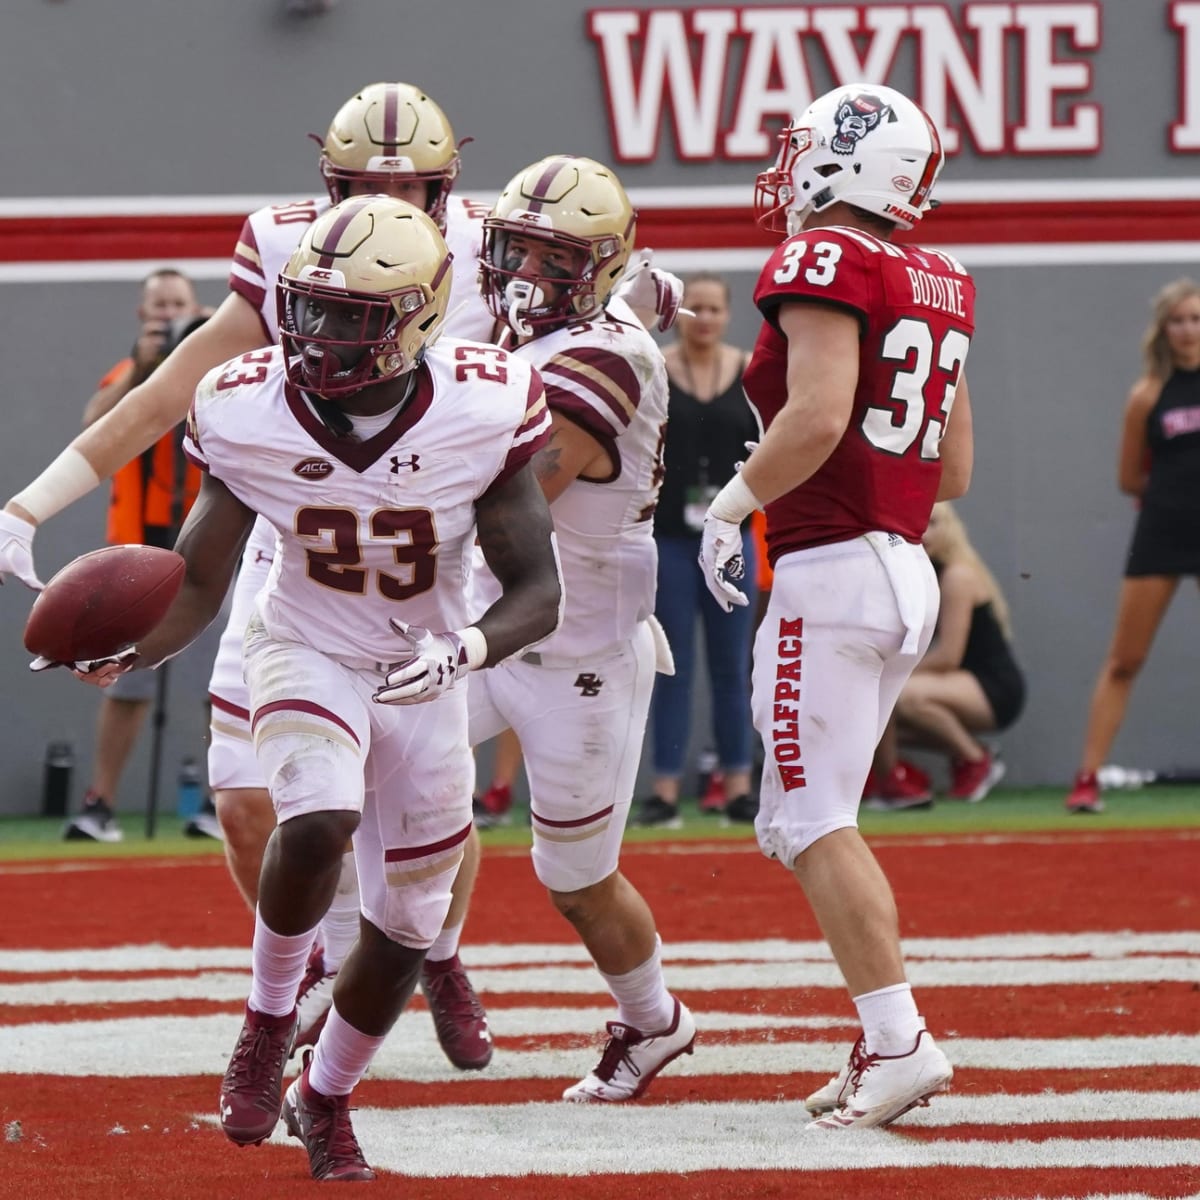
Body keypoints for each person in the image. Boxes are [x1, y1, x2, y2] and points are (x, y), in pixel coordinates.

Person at [0, 82, 502, 1071]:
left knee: (421, 788)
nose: (388, 206)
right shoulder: (285, 246)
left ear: (452, 186)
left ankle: (437, 954)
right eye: (360, 186)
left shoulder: (497, 244)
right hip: (296, 534)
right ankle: (309, 972)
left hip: (428, 549)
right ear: (326, 181)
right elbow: (166, 392)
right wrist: (28, 505)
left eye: (409, 189)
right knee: (243, 801)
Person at [59, 196, 563, 1181]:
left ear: (420, 315)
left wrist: (464, 650)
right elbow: (201, 577)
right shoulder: (246, 404)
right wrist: (135, 649)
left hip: (426, 668)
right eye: (311, 309)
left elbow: (540, 590)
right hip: (305, 644)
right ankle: (265, 1016)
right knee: (319, 817)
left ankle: (324, 1096)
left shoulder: (487, 400)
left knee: (410, 925)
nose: (321, 335)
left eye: (352, 315)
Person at [698, 83, 974, 1129]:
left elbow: (815, 414)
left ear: (848, 160)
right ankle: (881, 1038)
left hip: (831, 572)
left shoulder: (823, 258)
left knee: (812, 822)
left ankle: (901, 1041)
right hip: (900, 564)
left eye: (805, 147)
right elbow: (951, 470)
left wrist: (732, 504)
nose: (788, 164)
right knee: (812, 820)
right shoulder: (938, 276)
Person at [461, 153, 696, 1102]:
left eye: (553, 260)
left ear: (595, 271)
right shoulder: (602, 306)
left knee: (573, 881)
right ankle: (370, 963)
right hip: (492, 617)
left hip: (577, 647)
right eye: (516, 249)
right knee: (361, 765)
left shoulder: (606, 356)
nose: (526, 276)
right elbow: (654, 285)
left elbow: (510, 502)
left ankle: (655, 1021)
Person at [65, 270, 208, 842]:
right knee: (122, 683)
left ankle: (226, 801)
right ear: (141, 315)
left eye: (178, 306)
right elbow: (92, 426)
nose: (167, 314)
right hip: (132, 551)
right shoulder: (126, 374)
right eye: (159, 306)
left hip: (200, 548)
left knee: (220, 681)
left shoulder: (211, 374)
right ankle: (101, 803)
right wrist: (143, 368)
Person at [1066, 277, 1200, 814]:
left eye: (1196, 319)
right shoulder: (1146, 395)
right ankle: (1087, 779)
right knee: (1124, 660)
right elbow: (1130, 478)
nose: (1188, 330)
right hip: (1164, 530)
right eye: (1178, 320)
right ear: (1163, 329)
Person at [635, 272, 759, 828]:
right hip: (671, 541)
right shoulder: (654, 365)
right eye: (696, 309)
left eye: (714, 309)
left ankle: (738, 785)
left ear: (728, 315)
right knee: (672, 664)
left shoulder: (751, 369)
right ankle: (664, 791)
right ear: (680, 315)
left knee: (734, 666)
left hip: (731, 538)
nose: (704, 319)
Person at [867, 501, 1026, 809]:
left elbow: (949, 656)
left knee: (901, 695)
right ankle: (891, 777)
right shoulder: (920, 575)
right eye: (918, 523)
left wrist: (890, 673)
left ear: (951, 530)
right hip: (960, 681)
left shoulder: (956, 577)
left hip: (991, 686)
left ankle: (976, 760)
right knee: (877, 713)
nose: (925, 532)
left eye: (935, 523)